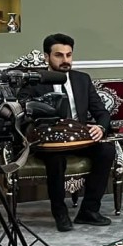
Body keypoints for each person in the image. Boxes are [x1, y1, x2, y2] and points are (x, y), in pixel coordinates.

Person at [26, 33, 113, 231]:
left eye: (69, 55)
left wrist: (100, 127)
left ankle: (89, 211)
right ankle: (60, 213)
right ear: (46, 57)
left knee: (106, 151)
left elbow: (102, 112)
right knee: (56, 159)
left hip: (78, 138)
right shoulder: (34, 82)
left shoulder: (82, 79)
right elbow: (25, 116)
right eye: (59, 55)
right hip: (49, 142)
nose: (65, 60)